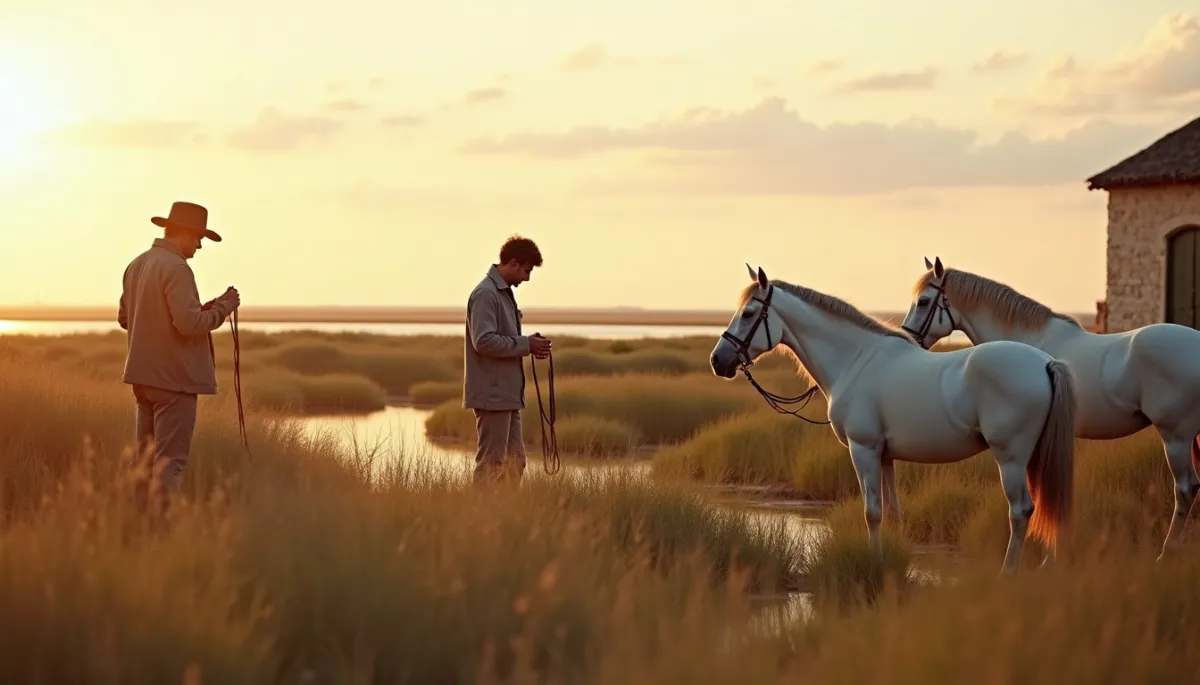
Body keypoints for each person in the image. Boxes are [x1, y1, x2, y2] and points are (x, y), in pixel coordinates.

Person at [118, 200, 241, 515]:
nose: (200, 245)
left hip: (143, 380)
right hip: (175, 382)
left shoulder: (137, 265)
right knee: (170, 463)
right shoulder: (177, 269)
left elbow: (126, 318)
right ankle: (163, 531)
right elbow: (189, 325)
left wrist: (204, 308)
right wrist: (224, 307)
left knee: (144, 463)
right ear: (184, 233)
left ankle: (137, 527)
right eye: (198, 237)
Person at [463, 235, 552, 485]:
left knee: (516, 461)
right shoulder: (485, 294)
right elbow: (484, 341)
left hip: (508, 396)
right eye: (526, 270)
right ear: (513, 263)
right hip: (493, 396)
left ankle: (505, 515)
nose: (527, 277)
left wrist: (529, 343)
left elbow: (501, 338)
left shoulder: (502, 294)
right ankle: (480, 518)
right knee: (491, 464)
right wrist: (525, 345)